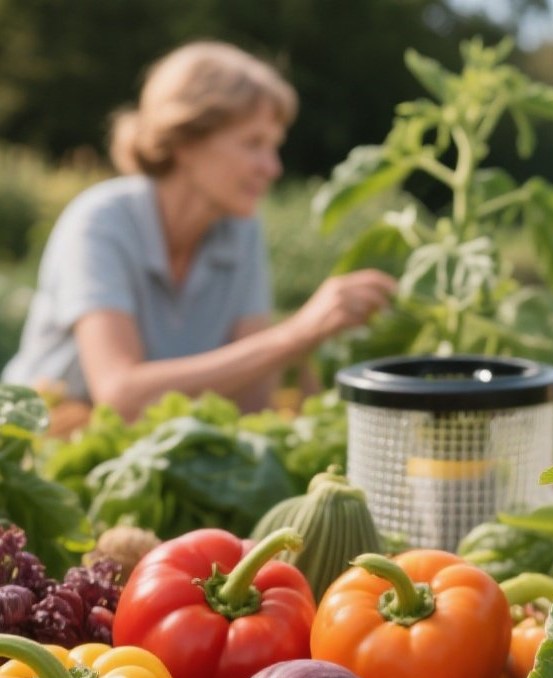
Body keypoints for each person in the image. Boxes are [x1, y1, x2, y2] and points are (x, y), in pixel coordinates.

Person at [2, 41, 396, 423]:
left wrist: (306, 351)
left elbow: (252, 401)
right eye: (253, 143)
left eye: (274, 146)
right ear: (185, 140)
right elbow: (119, 396)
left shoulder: (241, 231)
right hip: (39, 453)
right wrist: (295, 333)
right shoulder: (101, 221)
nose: (272, 167)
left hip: (144, 459)